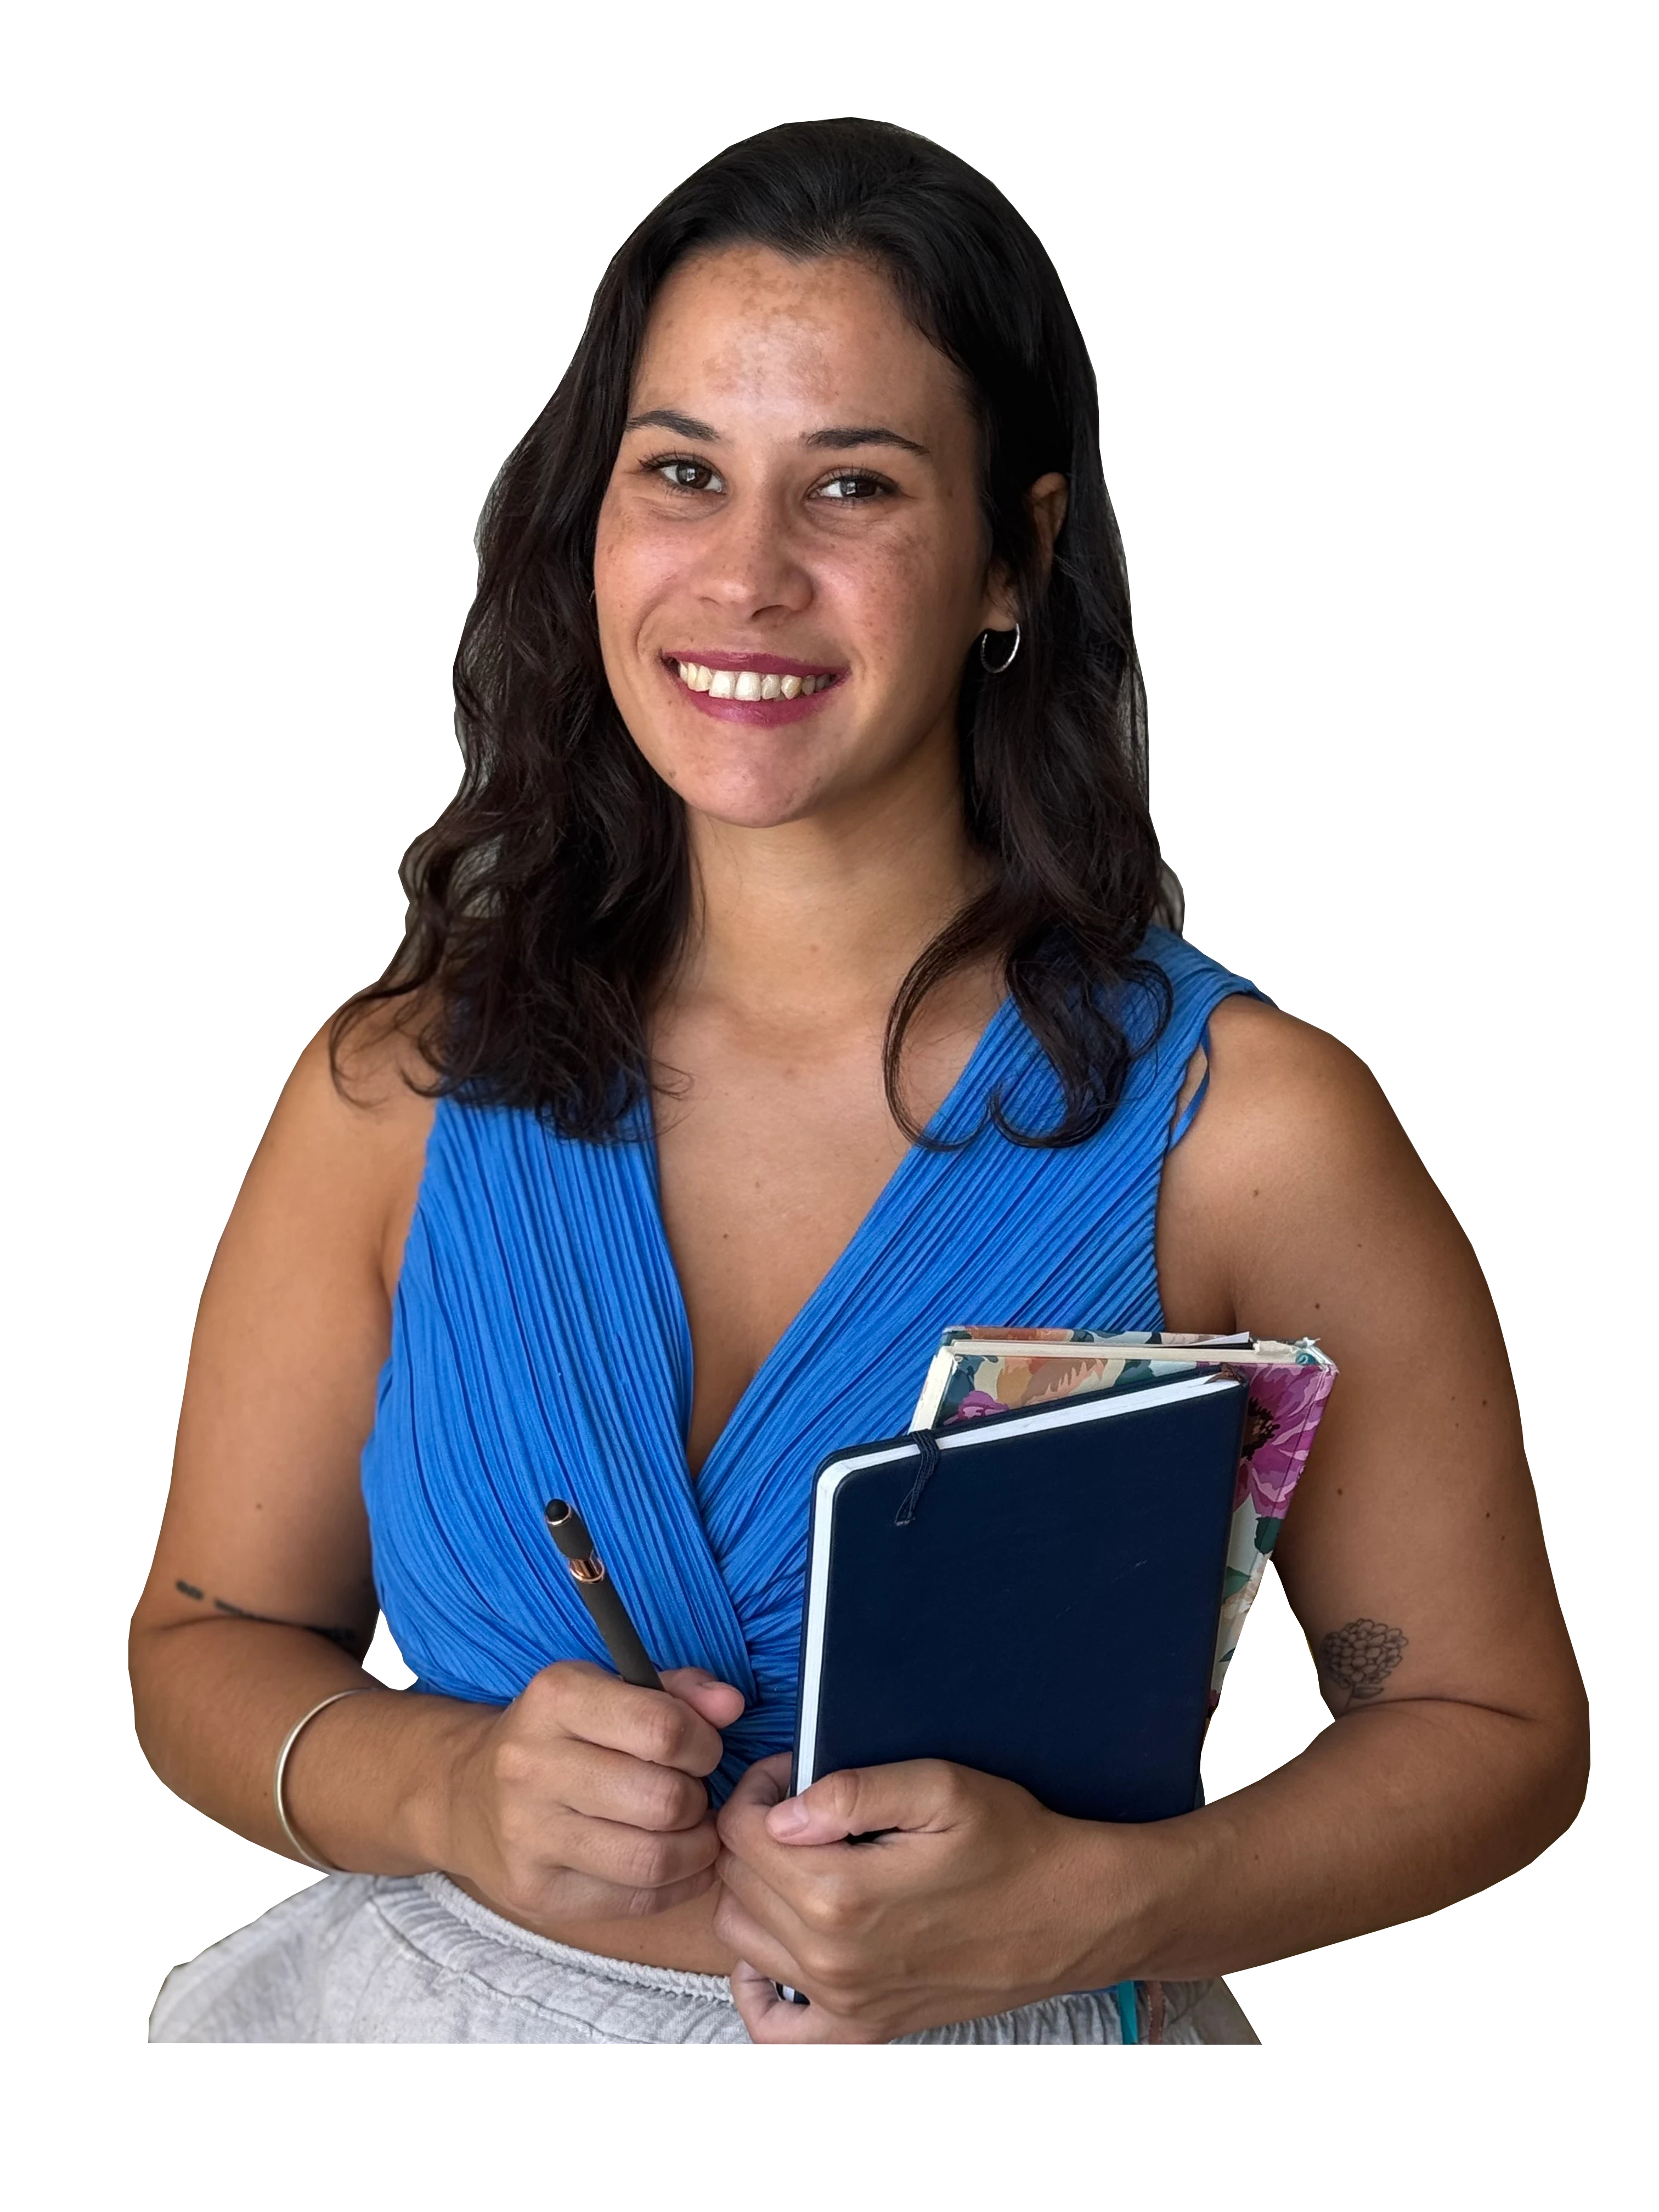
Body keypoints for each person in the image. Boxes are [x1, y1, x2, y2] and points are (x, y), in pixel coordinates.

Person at [131, 115, 1591, 2046]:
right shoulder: (393, 1089)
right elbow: (204, 1644)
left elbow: (1490, 1729)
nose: (745, 576)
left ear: (1013, 557)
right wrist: (442, 1792)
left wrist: (1112, 1901)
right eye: (682, 474)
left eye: (852, 487)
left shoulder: (1254, 1134)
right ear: (593, 524)